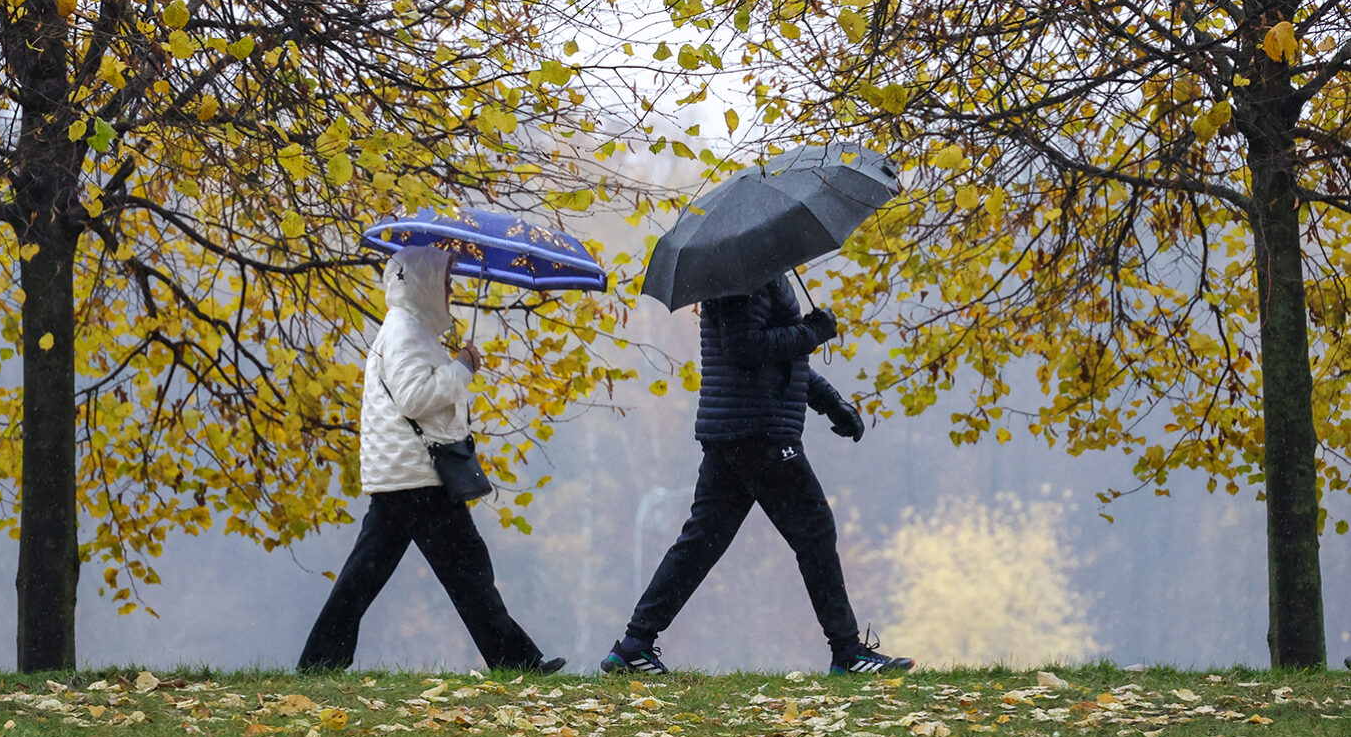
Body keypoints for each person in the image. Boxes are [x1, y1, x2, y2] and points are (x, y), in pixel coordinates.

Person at [601, 274, 914, 675]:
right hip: (758, 433)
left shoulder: (756, 276)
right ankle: (848, 653)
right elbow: (745, 348)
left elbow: (781, 364)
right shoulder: (744, 281)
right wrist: (813, 332)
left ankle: (634, 645)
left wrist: (832, 403)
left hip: (740, 431)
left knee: (700, 543)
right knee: (814, 528)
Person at [298, 245, 564, 674]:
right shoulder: (404, 331)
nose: (450, 288)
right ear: (422, 281)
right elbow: (415, 398)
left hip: (405, 474)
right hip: (417, 476)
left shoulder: (411, 329)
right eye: (444, 279)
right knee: (466, 570)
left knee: (372, 573)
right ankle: (515, 660)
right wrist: (461, 368)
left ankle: (320, 659)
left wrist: (456, 365)